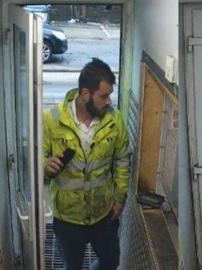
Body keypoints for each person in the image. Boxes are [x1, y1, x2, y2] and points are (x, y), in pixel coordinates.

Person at [43, 58, 130, 270]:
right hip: (67, 218)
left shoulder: (114, 119)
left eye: (109, 95)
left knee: (110, 263)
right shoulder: (52, 119)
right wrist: (44, 166)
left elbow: (122, 159)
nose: (109, 101)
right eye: (104, 96)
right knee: (72, 266)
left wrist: (119, 199)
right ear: (85, 94)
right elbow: (36, 158)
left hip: (105, 214)